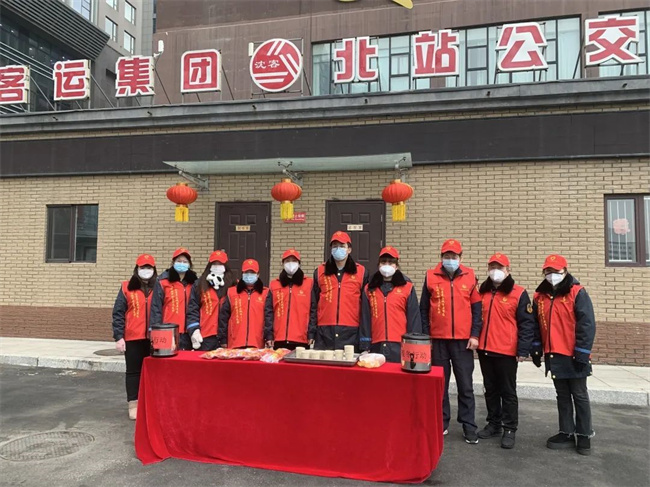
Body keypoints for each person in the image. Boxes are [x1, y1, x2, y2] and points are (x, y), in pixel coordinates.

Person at [420, 239, 482, 444]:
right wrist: (426, 336)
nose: (450, 260)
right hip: (438, 341)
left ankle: (469, 425)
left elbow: (477, 310)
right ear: (441, 258)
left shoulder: (470, 277)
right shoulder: (431, 276)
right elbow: (423, 309)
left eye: (454, 256)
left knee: (466, 385)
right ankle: (441, 422)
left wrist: (475, 335)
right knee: (440, 385)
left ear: (460, 258)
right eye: (446, 256)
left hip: (463, 342)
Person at [532, 254, 596, 456]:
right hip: (553, 354)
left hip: (573, 353)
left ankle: (584, 435)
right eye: (548, 271)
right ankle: (566, 432)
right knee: (562, 395)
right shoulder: (539, 296)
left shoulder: (577, 292)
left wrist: (582, 352)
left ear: (565, 271)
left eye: (556, 271)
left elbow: (587, 324)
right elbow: (536, 325)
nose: (551, 275)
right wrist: (536, 348)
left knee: (579, 394)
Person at [476, 253, 536, 449]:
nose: (495, 271)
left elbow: (527, 324)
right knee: (490, 390)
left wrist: (523, 349)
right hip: (485, 349)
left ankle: (509, 428)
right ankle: (494, 424)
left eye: (500, 267)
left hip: (506, 351)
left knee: (508, 392)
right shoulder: (482, 292)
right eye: (492, 267)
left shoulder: (518, 293)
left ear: (507, 270)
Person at [111, 253, 157, 420]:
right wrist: (119, 337)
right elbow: (118, 313)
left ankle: (151, 403)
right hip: (132, 337)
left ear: (154, 269)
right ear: (137, 269)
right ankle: (134, 404)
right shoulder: (126, 287)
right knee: (133, 372)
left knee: (153, 372)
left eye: (149, 267)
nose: (146, 270)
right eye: (143, 267)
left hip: (155, 339)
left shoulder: (159, 287)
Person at [360, 246, 421, 362]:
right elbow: (365, 318)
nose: (387, 265)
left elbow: (413, 318)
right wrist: (365, 345)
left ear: (396, 266)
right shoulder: (369, 289)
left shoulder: (407, 287)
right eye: (383, 262)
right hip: (376, 345)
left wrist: (413, 345)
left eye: (391, 262)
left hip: (400, 345)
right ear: (378, 265)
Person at [309, 231, 369, 350]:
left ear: (349, 249)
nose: (338, 249)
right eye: (335, 246)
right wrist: (312, 331)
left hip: (351, 330)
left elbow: (365, 307)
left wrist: (365, 337)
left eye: (342, 246)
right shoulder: (320, 271)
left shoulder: (361, 272)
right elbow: (314, 304)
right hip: (324, 331)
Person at [186, 250, 237, 351]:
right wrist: (194, 330)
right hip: (206, 336)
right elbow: (193, 309)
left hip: (228, 338)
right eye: (214, 264)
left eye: (220, 264)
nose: (217, 267)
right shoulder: (199, 285)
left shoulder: (234, 285)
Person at [150, 247, 198, 350]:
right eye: (179, 261)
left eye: (185, 261)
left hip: (189, 332)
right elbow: (156, 308)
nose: (182, 263)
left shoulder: (194, 283)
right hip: (168, 330)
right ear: (173, 262)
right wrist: (155, 331)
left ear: (189, 264)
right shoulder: (163, 282)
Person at [264, 249, 313, 350]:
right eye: (287, 261)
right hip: (279, 339)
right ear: (282, 264)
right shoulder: (274, 285)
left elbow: (314, 311)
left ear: (299, 264)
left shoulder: (309, 284)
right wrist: (269, 334)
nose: (291, 264)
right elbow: (269, 312)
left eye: (294, 261)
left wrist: (312, 333)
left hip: (302, 339)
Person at [219, 259, 269, 349]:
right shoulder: (231, 292)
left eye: (252, 272)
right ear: (242, 274)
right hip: (235, 342)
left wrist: (269, 337)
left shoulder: (265, 293)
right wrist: (223, 339)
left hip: (257, 343)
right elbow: (223, 317)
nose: (249, 275)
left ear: (258, 274)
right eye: (246, 272)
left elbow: (269, 318)